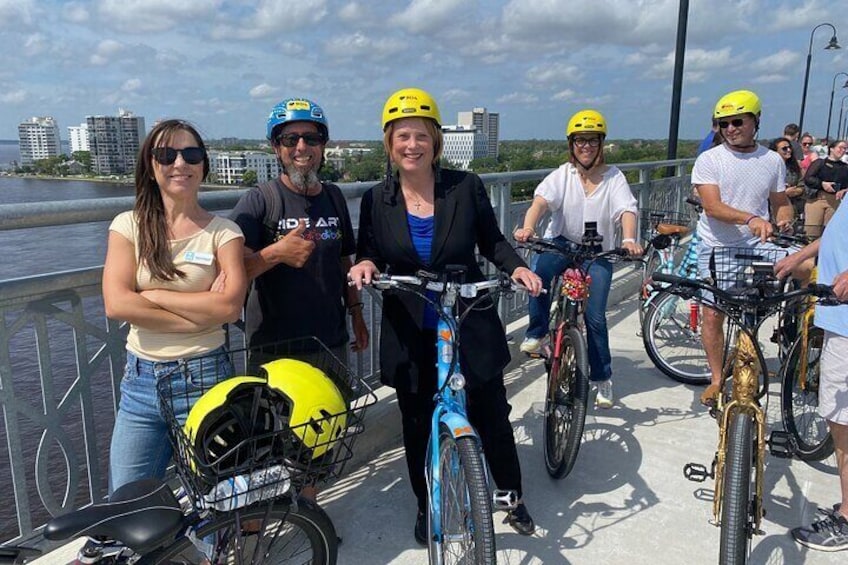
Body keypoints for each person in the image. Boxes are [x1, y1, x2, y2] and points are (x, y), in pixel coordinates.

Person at [348, 88, 543, 543]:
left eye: (419, 135)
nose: (411, 145)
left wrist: (516, 267)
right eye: (401, 137)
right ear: (389, 144)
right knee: (416, 424)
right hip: (410, 323)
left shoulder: (466, 186)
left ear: (434, 141)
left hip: (467, 314)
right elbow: (369, 250)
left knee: (491, 411)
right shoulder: (379, 199)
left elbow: (492, 240)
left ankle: (511, 495)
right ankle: (427, 504)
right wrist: (365, 265)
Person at [102, 119, 247, 493]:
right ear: (150, 167)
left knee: (214, 497)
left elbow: (230, 307)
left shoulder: (224, 233)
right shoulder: (127, 226)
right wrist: (198, 312)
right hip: (140, 383)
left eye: (191, 154)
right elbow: (117, 303)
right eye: (166, 154)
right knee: (127, 498)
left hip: (205, 376)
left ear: (203, 165)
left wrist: (152, 296)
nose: (180, 163)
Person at [514, 109, 642, 409]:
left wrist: (628, 239)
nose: (586, 146)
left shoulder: (614, 177)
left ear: (601, 144)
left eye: (592, 141)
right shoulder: (564, 174)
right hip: (562, 243)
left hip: (597, 252)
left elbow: (627, 210)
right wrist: (529, 227)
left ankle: (602, 378)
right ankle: (538, 333)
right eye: (580, 141)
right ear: (572, 144)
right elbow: (541, 202)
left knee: (595, 318)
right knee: (538, 276)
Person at [229, 98, 368, 363]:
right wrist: (275, 254)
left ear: (322, 145)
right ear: (276, 147)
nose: (301, 147)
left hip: (331, 345)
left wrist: (357, 314)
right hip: (275, 352)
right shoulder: (260, 200)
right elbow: (229, 272)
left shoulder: (334, 197)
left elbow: (343, 262)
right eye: (290, 140)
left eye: (311, 138)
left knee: (335, 407)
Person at [692, 90, 802, 406]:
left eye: (737, 121)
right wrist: (752, 218)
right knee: (713, 315)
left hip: (759, 244)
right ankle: (716, 379)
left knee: (806, 268)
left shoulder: (770, 160)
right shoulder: (710, 159)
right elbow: (712, 207)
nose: (730, 129)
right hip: (718, 246)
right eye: (722, 124)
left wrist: (783, 220)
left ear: (755, 121)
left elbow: (780, 202)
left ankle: (799, 338)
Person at [775, 202, 848, 552]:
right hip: (837, 313)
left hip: (846, 319)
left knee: (842, 418)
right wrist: (798, 257)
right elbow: (837, 233)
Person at [804, 139, 848, 238]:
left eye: (845, 149)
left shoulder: (845, 167)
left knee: (829, 233)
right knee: (811, 232)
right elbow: (808, 178)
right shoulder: (820, 163)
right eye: (840, 148)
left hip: (834, 201)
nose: (843, 151)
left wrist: (844, 190)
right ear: (831, 149)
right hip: (817, 199)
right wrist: (822, 184)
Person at [769, 137, 804, 224]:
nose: (788, 150)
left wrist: (796, 191)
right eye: (784, 148)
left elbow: (802, 185)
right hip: (771, 210)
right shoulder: (768, 168)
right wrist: (783, 193)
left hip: (792, 207)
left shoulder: (795, 168)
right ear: (775, 151)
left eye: (789, 148)